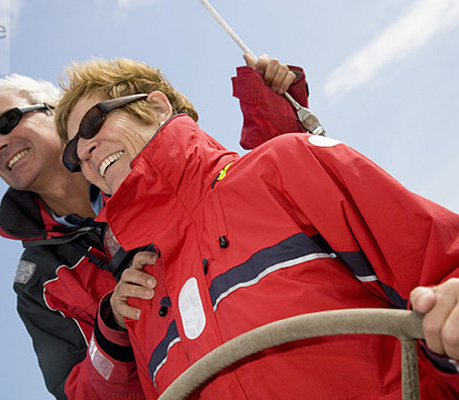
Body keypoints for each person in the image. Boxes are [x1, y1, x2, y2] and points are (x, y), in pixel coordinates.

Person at [54, 57, 459, 399]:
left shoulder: (286, 165)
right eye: (74, 154)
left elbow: (443, 265)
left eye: (93, 122)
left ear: (156, 106)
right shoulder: (140, 298)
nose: (85, 152)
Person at [0, 56, 306, 400]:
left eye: (8, 121)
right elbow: (80, 395)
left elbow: (264, 201)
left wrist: (274, 108)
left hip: (296, 360)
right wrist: (112, 325)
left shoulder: (147, 157)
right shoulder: (39, 281)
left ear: (56, 112)